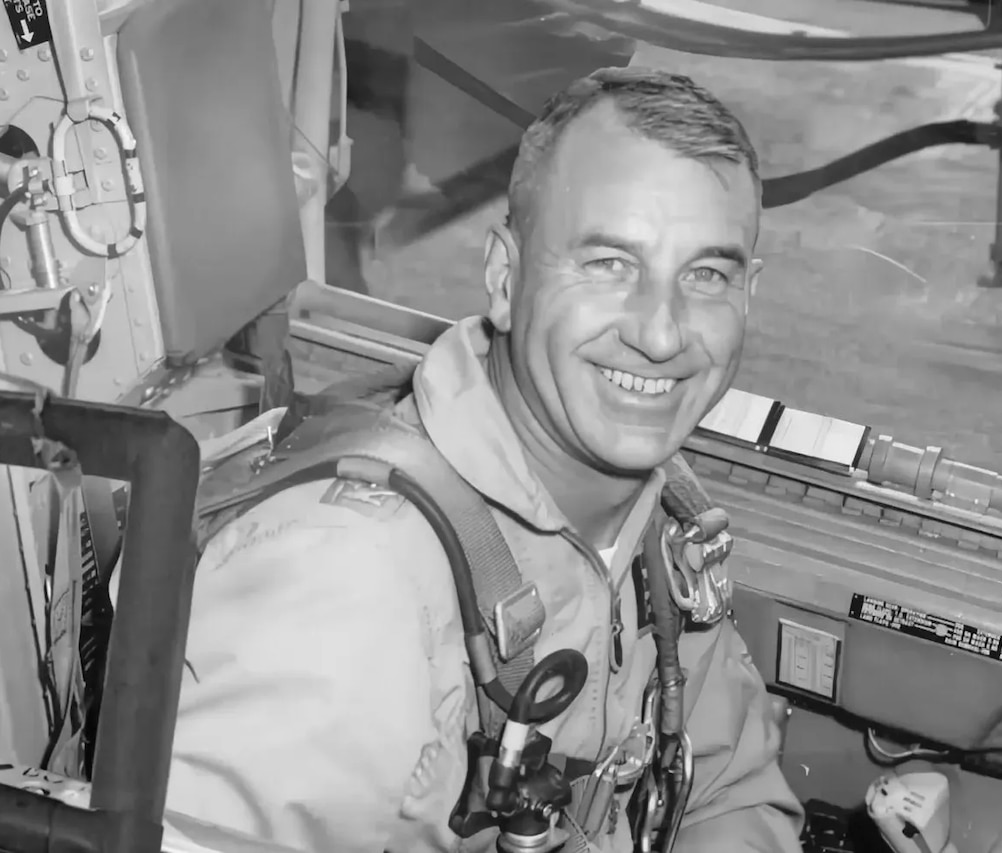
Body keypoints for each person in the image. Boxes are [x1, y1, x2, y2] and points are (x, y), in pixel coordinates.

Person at [167, 66, 804, 853]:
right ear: (505, 278)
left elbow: (729, 790)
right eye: (609, 264)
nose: (663, 334)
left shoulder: (656, 517)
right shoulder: (348, 587)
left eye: (706, 275)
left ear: (749, 296)